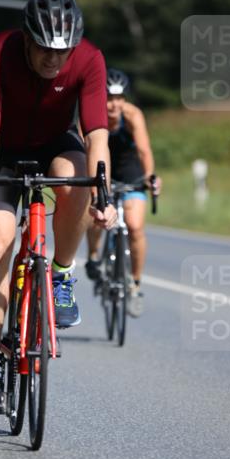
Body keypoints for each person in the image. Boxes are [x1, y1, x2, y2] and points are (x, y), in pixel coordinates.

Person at [0, 0, 117, 414]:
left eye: (62, 51)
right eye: (46, 50)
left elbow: (97, 133)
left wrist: (104, 195)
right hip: (4, 150)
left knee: (77, 181)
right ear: (27, 38)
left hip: (56, 143)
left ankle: (62, 275)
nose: (54, 60)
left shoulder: (89, 59)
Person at [85, 69, 161, 317]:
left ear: (124, 99)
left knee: (135, 227)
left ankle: (135, 285)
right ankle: (94, 256)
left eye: (118, 98)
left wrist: (150, 176)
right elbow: (82, 150)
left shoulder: (132, 116)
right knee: (97, 213)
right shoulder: (91, 115)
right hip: (102, 172)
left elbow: (144, 150)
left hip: (130, 173)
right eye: (107, 97)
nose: (113, 104)